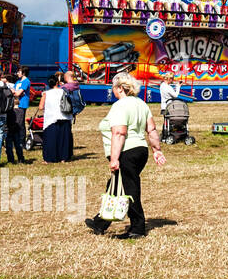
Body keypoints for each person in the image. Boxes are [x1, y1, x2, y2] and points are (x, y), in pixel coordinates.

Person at [87, 73, 166, 239]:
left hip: (126, 152)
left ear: (120, 88)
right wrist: (156, 149)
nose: (113, 91)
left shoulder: (120, 105)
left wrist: (114, 158)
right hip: (140, 150)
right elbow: (151, 129)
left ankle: (137, 228)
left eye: (114, 88)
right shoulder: (141, 104)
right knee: (115, 185)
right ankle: (100, 222)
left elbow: (119, 132)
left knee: (130, 188)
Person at [40, 74, 74, 163]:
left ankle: (50, 158)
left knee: (51, 140)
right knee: (64, 139)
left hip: (51, 118)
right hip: (64, 117)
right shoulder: (64, 91)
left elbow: (40, 107)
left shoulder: (46, 93)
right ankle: (64, 157)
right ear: (57, 82)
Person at [1, 74, 26, 165]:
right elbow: (20, 121)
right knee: (18, 145)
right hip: (17, 130)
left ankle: (10, 159)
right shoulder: (21, 111)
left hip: (9, 130)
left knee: (9, 146)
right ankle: (21, 158)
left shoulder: (9, 111)